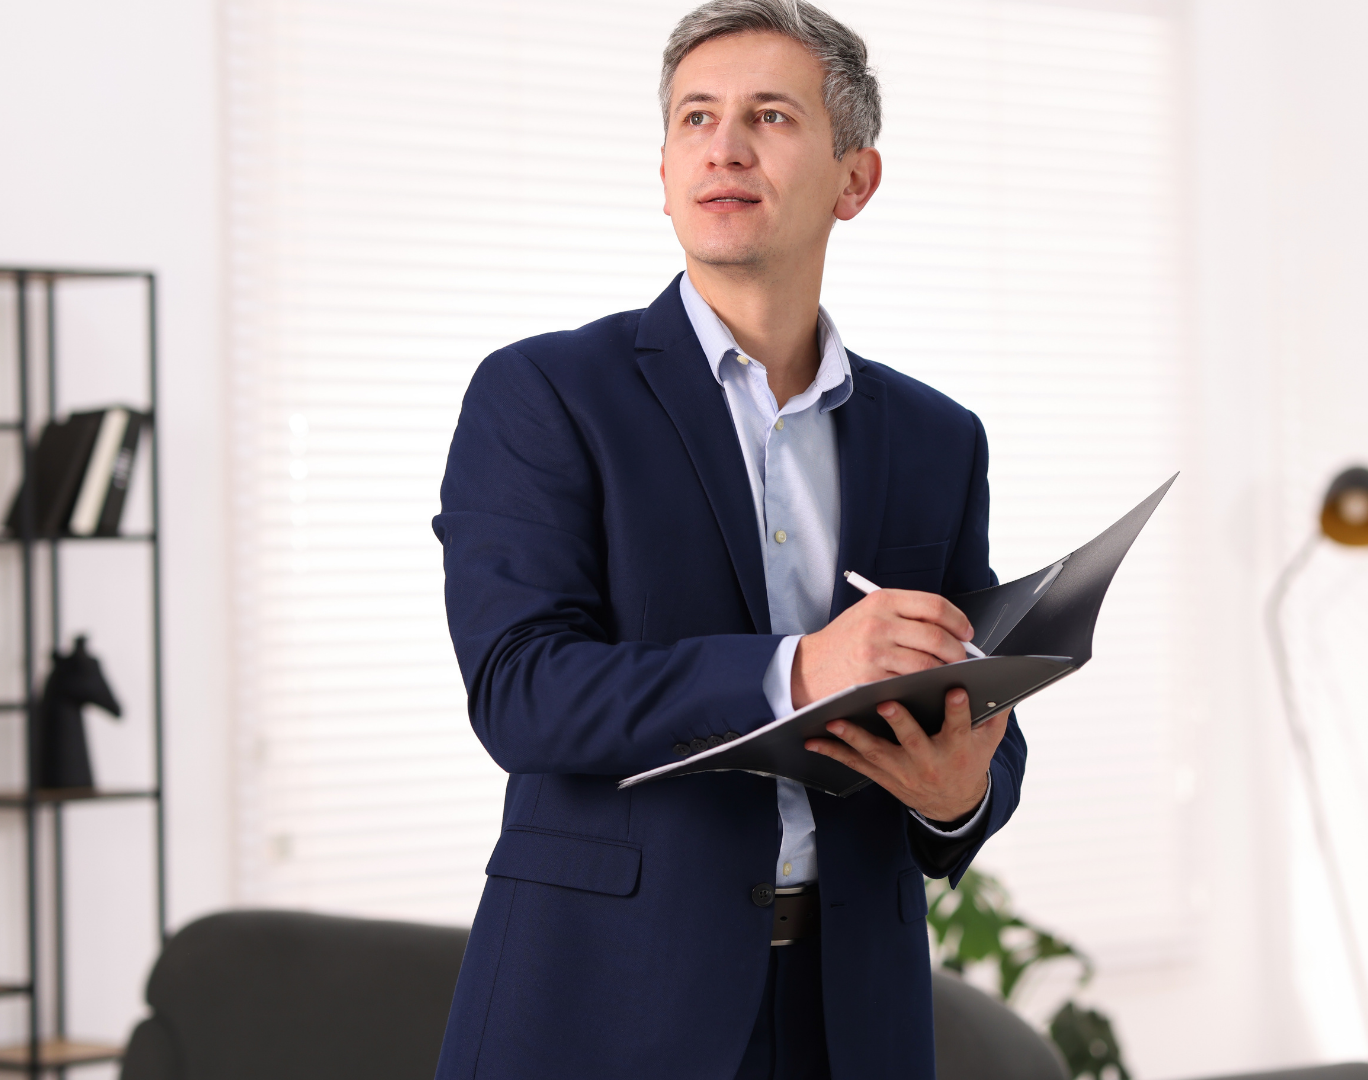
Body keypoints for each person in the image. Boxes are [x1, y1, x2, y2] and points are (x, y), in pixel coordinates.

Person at [431, 2, 1026, 1076]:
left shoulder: (938, 439)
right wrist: (799, 670)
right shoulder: (545, 394)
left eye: (770, 116)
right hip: (603, 1006)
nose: (725, 144)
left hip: (853, 1015)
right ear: (663, 172)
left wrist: (960, 800)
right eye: (695, 117)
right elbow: (521, 689)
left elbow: (972, 693)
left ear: (856, 180)